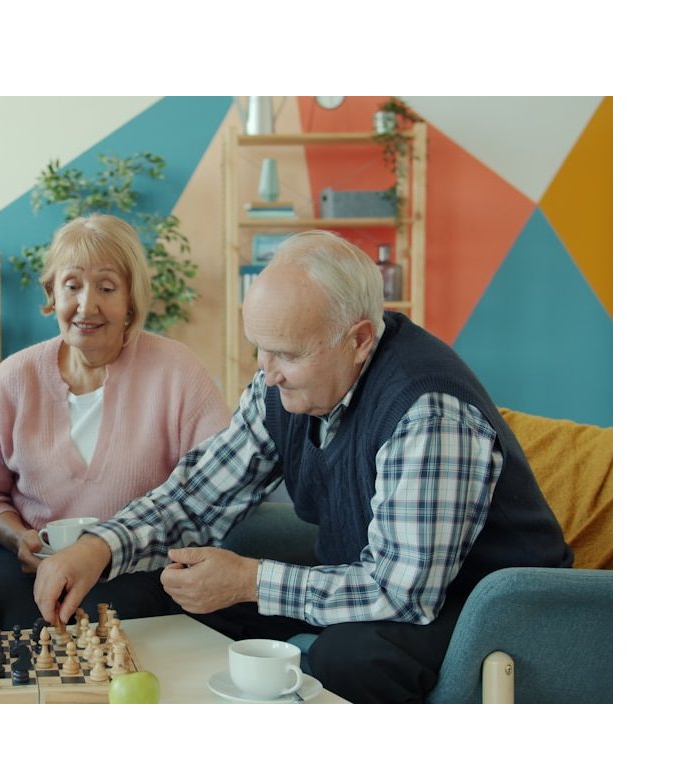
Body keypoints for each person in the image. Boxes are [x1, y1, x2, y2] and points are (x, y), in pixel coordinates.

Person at [33, 229, 572, 703]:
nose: (267, 375)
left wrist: (251, 581)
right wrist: (99, 546)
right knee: (158, 589)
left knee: (351, 658)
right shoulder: (284, 385)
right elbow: (198, 493)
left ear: (359, 339)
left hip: (482, 605)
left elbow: (402, 593)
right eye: (258, 351)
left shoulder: (427, 410)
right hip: (376, 586)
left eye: (286, 355)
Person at [0, 214, 230, 625]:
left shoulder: (177, 370)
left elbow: (217, 490)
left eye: (107, 288)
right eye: (72, 286)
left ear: (131, 301)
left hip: (141, 571)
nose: (87, 306)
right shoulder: (15, 378)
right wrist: (16, 536)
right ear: (52, 292)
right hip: (32, 571)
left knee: (101, 611)